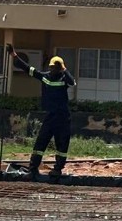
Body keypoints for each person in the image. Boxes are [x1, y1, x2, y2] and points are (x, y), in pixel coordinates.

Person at [8, 46, 75, 182]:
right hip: (50, 117)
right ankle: (32, 170)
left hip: (63, 117)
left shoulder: (64, 79)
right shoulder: (45, 77)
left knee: (62, 146)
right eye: (52, 67)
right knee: (40, 143)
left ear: (60, 68)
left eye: (56, 68)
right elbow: (28, 69)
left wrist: (64, 69)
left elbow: (72, 82)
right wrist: (14, 56)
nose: (53, 70)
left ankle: (57, 170)